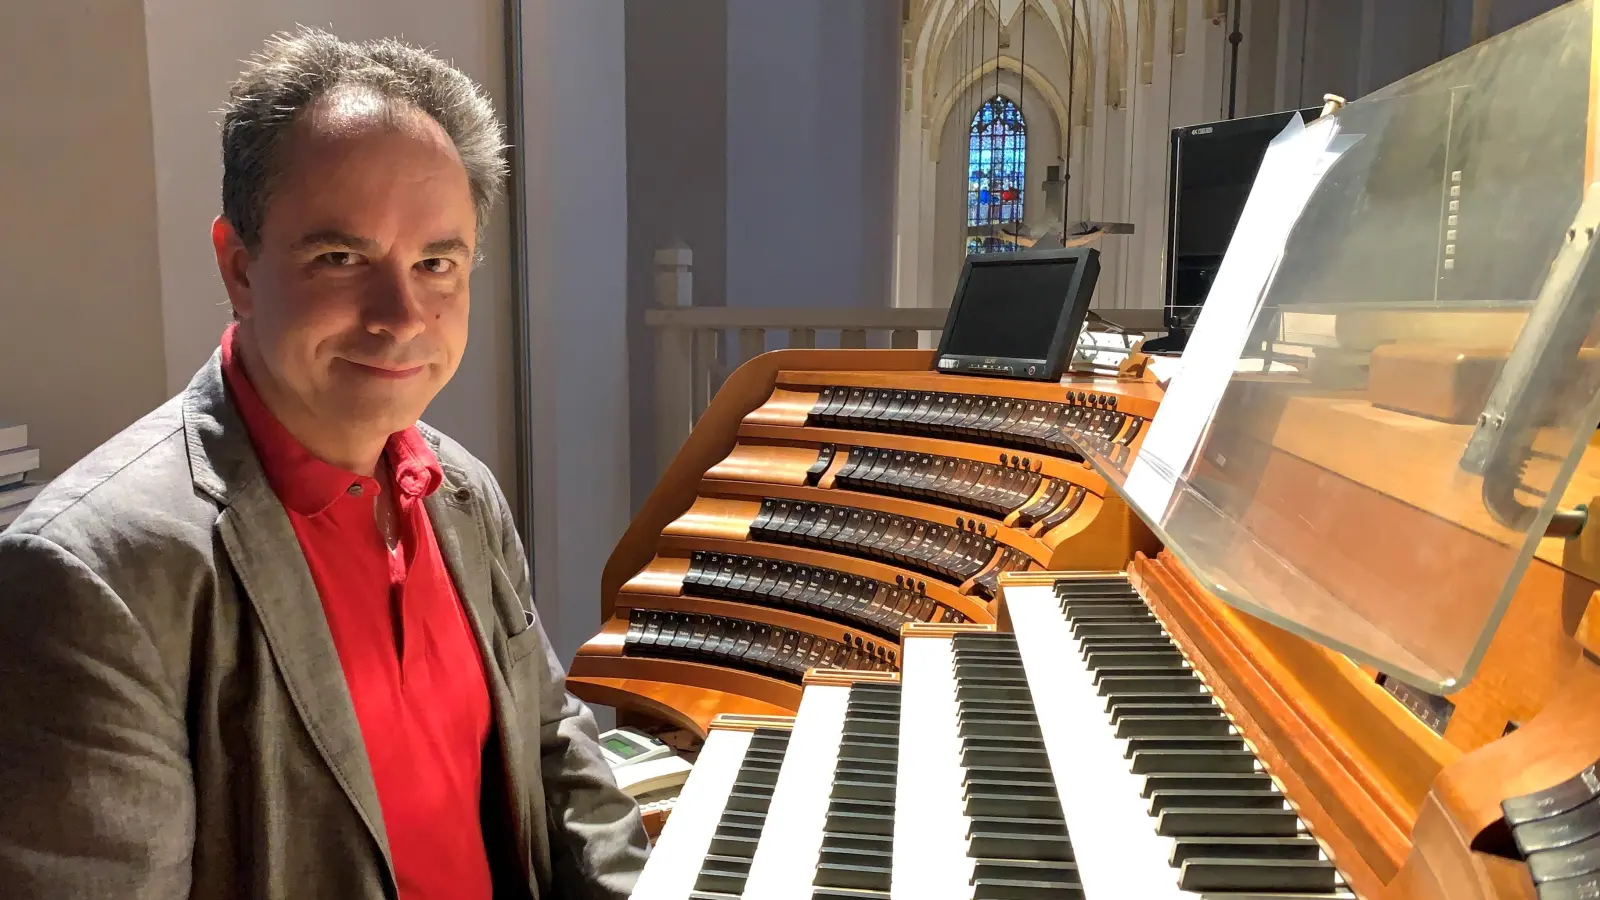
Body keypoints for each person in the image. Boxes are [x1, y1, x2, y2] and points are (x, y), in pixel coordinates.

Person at [0, 28, 648, 899]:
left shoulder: (460, 489)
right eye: (341, 258)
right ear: (239, 265)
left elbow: (551, 740)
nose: (401, 315)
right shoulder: (90, 579)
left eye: (437, 264)